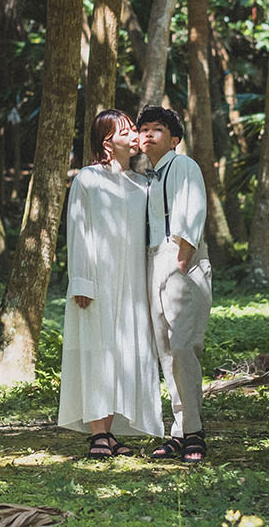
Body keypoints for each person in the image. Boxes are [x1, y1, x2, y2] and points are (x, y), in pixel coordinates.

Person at [57, 109, 163, 458]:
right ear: (107, 141)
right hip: (97, 280)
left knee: (124, 350)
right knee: (97, 349)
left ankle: (113, 430)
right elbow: (79, 230)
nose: (136, 135)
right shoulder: (88, 179)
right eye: (128, 130)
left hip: (133, 281)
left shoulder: (143, 184)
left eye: (136, 129)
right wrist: (82, 281)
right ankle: (97, 434)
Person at [136, 105, 212, 464]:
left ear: (174, 139)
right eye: (144, 129)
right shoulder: (147, 177)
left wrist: (181, 261)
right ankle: (180, 432)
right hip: (155, 261)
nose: (148, 134)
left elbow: (193, 209)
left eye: (157, 129)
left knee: (184, 348)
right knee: (166, 351)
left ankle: (195, 432)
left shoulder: (183, 165)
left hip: (181, 258)